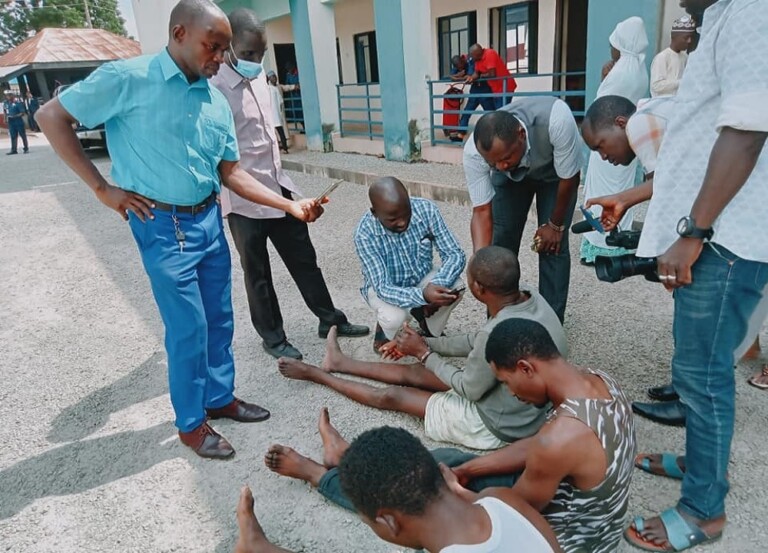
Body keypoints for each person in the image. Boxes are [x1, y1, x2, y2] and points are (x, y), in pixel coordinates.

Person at [35, 0, 325, 460]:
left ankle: (219, 398)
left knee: (219, 319)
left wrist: (289, 205)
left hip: (209, 217)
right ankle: (191, 423)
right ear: (179, 34)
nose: (219, 59)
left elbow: (232, 171)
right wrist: (102, 189)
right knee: (187, 327)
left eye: (225, 51)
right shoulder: (128, 78)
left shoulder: (214, 100)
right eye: (213, 47)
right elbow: (51, 117)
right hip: (161, 224)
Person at [267, 318, 635, 553]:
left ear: (526, 367)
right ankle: (346, 460)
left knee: (417, 497)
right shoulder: (597, 382)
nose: (510, 393)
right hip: (592, 514)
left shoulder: (558, 441)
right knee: (450, 463)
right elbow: (538, 446)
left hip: (573, 539)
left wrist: (457, 493)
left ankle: (323, 474)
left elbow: (514, 513)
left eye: (506, 382)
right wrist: (472, 471)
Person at [622, 0, 768, 550]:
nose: (678, 2)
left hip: (724, 241)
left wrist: (694, 234)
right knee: (694, 367)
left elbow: (746, 132)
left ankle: (705, 510)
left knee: (703, 377)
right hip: (716, 236)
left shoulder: (754, 10)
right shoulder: (729, 16)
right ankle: (699, 464)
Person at [277, 246, 567, 451]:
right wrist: (423, 344)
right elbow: (476, 341)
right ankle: (339, 363)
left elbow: (470, 389)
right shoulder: (528, 296)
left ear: (478, 289)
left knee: (394, 396)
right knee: (417, 372)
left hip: (498, 425)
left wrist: (424, 353)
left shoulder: (497, 331)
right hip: (515, 401)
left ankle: (318, 374)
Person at [210, 9, 368, 361]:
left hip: (279, 189)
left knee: (305, 260)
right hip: (243, 200)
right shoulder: (214, 89)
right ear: (230, 46)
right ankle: (273, 338)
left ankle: (330, 319)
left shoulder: (260, 83)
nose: (256, 60)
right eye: (248, 53)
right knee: (258, 273)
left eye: (261, 52)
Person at [234, 426, 561, 553]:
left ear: (388, 523)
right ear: (441, 474)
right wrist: (462, 493)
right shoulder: (502, 500)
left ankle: (259, 549)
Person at [462, 98, 583, 322]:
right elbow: (481, 211)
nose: (501, 167)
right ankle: (499, 320)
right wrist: (479, 263)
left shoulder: (556, 120)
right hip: (510, 183)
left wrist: (555, 225)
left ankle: (550, 324)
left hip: (555, 178)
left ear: (521, 134)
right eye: (493, 163)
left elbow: (570, 177)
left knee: (552, 247)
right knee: (500, 245)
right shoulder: (475, 152)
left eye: (506, 158)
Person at [353, 177, 466, 351]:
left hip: (422, 279)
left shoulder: (426, 209)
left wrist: (438, 285)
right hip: (386, 290)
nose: (402, 222)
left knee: (456, 287)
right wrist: (423, 295)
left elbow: (454, 254)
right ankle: (385, 331)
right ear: (375, 213)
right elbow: (383, 287)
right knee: (394, 317)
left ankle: (428, 329)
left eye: (406, 214)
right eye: (392, 219)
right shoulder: (365, 234)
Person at [580, 16, 649, 265]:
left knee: (603, 193)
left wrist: (603, 77)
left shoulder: (621, 73)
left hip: (611, 141)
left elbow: (603, 108)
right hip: (622, 144)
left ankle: (601, 246)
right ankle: (614, 242)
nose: (611, 49)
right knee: (620, 190)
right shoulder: (640, 69)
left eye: (614, 43)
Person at [448, 54, 495, 141]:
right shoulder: (458, 65)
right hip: (475, 91)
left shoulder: (471, 61)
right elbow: (451, 76)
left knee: (490, 113)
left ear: (462, 61)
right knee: (466, 112)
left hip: (484, 89)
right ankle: (460, 135)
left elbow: (469, 77)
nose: (460, 68)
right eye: (458, 67)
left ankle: (495, 134)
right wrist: (458, 76)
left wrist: (458, 77)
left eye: (460, 65)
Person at [650, 15, 697, 98]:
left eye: (691, 38)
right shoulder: (662, 57)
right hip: (661, 104)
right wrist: (681, 82)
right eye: (686, 38)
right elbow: (656, 86)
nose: (689, 41)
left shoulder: (685, 57)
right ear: (674, 37)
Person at [467, 44, 517, 109]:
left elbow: (492, 74)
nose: (471, 58)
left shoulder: (490, 54)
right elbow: (476, 73)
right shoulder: (477, 60)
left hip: (505, 87)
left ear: (477, 54)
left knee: (500, 112)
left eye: (472, 56)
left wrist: (481, 75)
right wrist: (471, 78)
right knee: (497, 112)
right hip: (495, 89)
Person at [266, 70, 296, 154]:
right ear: (269, 79)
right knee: (276, 132)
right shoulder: (269, 89)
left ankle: (284, 147)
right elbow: (280, 101)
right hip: (273, 114)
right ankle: (280, 148)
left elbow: (286, 90)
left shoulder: (276, 88)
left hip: (277, 114)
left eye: (275, 77)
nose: (275, 78)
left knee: (280, 132)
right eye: (273, 77)